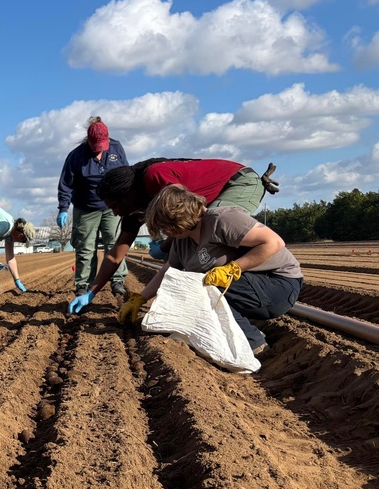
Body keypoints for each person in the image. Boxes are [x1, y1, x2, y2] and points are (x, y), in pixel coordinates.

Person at [68, 157, 280, 314]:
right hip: (207, 202)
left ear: (127, 195)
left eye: (114, 206)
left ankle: (248, 297)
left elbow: (183, 212)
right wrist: (91, 292)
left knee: (212, 239)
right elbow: (115, 255)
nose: (114, 213)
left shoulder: (153, 177)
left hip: (238, 182)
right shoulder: (133, 209)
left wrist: (167, 247)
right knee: (194, 250)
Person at [118, 183, 302, 355]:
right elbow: (168, 270)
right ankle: (234, 335)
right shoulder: (182, 242)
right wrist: (141, 298)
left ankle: (255, 344)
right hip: (250, 290)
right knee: (188, 287)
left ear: (177, 218)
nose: (165, 232)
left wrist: (232, 268)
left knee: (202, 286)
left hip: (278, 285)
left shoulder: (222, 219)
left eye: (165, 226)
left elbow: (274, 242)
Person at [56, 117, 130, 297]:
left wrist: (127, 201)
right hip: (86, 207)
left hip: (112, 207)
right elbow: (66, 183)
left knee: (114, 242)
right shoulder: (76, 156)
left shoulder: (116, 148)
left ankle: (117, 280)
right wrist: (63, 208)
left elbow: (126, 174)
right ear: (89, 140)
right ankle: (83, 284)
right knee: (86, 248)